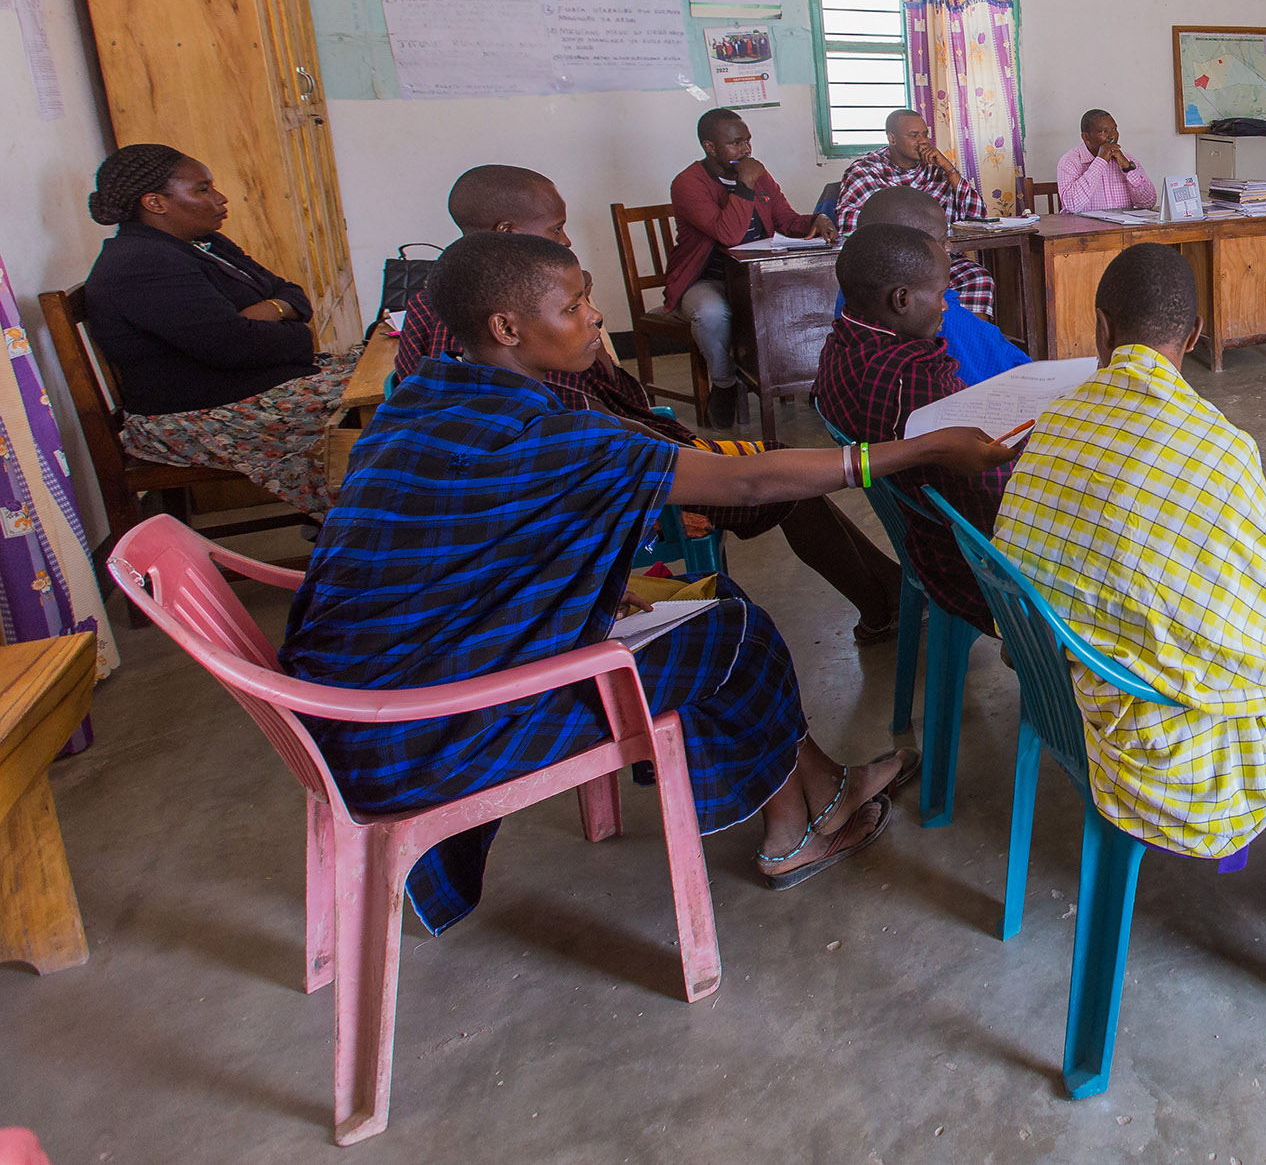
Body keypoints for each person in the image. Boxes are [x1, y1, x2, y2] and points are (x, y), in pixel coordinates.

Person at [283, 232, 1016, 927]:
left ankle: (821, 791)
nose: (594, 316)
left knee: (706, 608)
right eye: (572, 307)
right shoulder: (551, 437)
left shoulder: (421, 398)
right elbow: (750, 483)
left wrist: (587, 588)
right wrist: (917, 448)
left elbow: (468, 550)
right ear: (506, 326)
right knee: (732, 633)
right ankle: (795, 830)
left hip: (343, 705)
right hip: (427, 736)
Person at [995, 243, 1266, 919]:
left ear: (1101, 326)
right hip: (1160, 733)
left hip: (1071, 682)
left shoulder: (1054, 421)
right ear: (1193, 338)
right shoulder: (1217, 445)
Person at [398, 165, 903, 643]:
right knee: (776, 479)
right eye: (556, 229)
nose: (568, 240)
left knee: (775, 467)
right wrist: (656, 489)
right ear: (507, 231)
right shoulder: (525, 376)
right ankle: (884, 606)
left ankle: (892, 591)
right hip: (604, 472)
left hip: (623, 445)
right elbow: (577, 438)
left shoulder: (440, 301)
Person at [79, 145, 349, 518]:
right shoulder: (139, 263)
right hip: (195, 416)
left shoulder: (204, 243)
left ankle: (377, 521)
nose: (220, 198)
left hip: (251, 386)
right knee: (380, 410)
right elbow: (234, 346)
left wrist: (267, 311)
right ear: (155, 203)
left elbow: (292, 294)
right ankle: (366, 528)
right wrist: (291, 331)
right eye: (202, 190)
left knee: (398, 381)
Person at [812, 226, 1017, 636]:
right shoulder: (917, 381)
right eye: (942, 294)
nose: (946, 307)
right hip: (977, 572)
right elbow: (996, 502)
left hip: (925, 541)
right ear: (902, 300)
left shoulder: (840, 346)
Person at [664, 109, 835, 430]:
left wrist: (815, 220)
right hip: (707, 278)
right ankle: (725, 381)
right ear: (709, 147)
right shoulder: (688, 183)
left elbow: (785, 220)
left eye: (747, 141)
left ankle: (800, 379)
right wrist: (744, 184)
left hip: (757, 278)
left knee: (806, 301)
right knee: (712, 314)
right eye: (735, 143)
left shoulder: (758, 174)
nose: (746, 150)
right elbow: (727, 234)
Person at [843, 186, 1031, 386]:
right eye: (941, 240)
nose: (949, 246)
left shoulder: (855, 298)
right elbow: (1000, 376)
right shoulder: (936, 319)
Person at [821, 109, 996, 317]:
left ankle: (968, 346)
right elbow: (850, 227)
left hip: (937, 259)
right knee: (911, 292)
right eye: (914, 136)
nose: (922, 142)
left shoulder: (936, 169)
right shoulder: (866, 171)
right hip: (889, 264)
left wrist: (950, 170)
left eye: (925, 134)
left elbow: (975, 216)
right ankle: (929, 343)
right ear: (892, 138)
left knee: (978, 278)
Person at [1055, 109, 1157, 213]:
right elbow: (1072, 205)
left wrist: (1128, 168)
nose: (1112, 136)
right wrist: (1100, 161)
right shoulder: (1069, 161)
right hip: (1085, 228)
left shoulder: (1127, 159)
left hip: (1122, 228)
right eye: (1104, 131)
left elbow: (1148, 203)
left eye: (1114, 129)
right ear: (1086, 137)